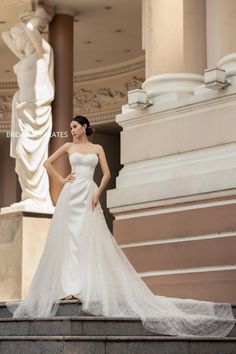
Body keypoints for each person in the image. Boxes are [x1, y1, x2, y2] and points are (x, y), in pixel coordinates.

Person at [6, 115, 235, 337]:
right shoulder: (67, 146)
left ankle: (83, 286)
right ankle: (68, 287)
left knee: (87, 240)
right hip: (71, 195)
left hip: (87, 193)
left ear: (85, 127)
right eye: (71, 127)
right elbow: (47, 163)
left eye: (75, 126)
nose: (72, 130)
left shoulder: (97, 149)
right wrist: (62, 180)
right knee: (69, 239)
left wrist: (97, 192)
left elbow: (106, 174)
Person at [2, 19, 54, 212]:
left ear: (27, 38)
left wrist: (31, 20)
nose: (15, 43)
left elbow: (32, 32)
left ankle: (39, 196)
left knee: (27, 150)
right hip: (23, 111)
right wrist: (17, 31)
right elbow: (4, 36)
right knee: (21, 153)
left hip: (36, 111)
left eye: (18, 39)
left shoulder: (43, 55)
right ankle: (30, 195)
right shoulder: (24, 57)